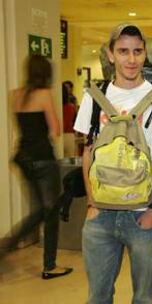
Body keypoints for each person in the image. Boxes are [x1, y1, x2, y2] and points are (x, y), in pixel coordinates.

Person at [73, 24, 152, 303]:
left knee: (143, 298)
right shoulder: (94, 97)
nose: (131, 59)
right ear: (111, 55)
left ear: (145, 54)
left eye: (137, 51)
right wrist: (91, 203)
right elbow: (88, 152)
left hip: (142, 216)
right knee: (98, 296)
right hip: (100, 216)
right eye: (123, 51)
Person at [12, 54, 73, 279]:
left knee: (38, 211)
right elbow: (55, 129)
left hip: (23, 159)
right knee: (49, 213)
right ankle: (50, 266)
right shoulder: (44, 94)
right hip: (43, 160)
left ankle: (7, 246)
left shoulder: (16, 96)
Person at [62, 84, 77, 157]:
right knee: (70, 161)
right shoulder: (71, 107)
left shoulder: (56, 107)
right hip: (69, 135)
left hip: (59, 135)